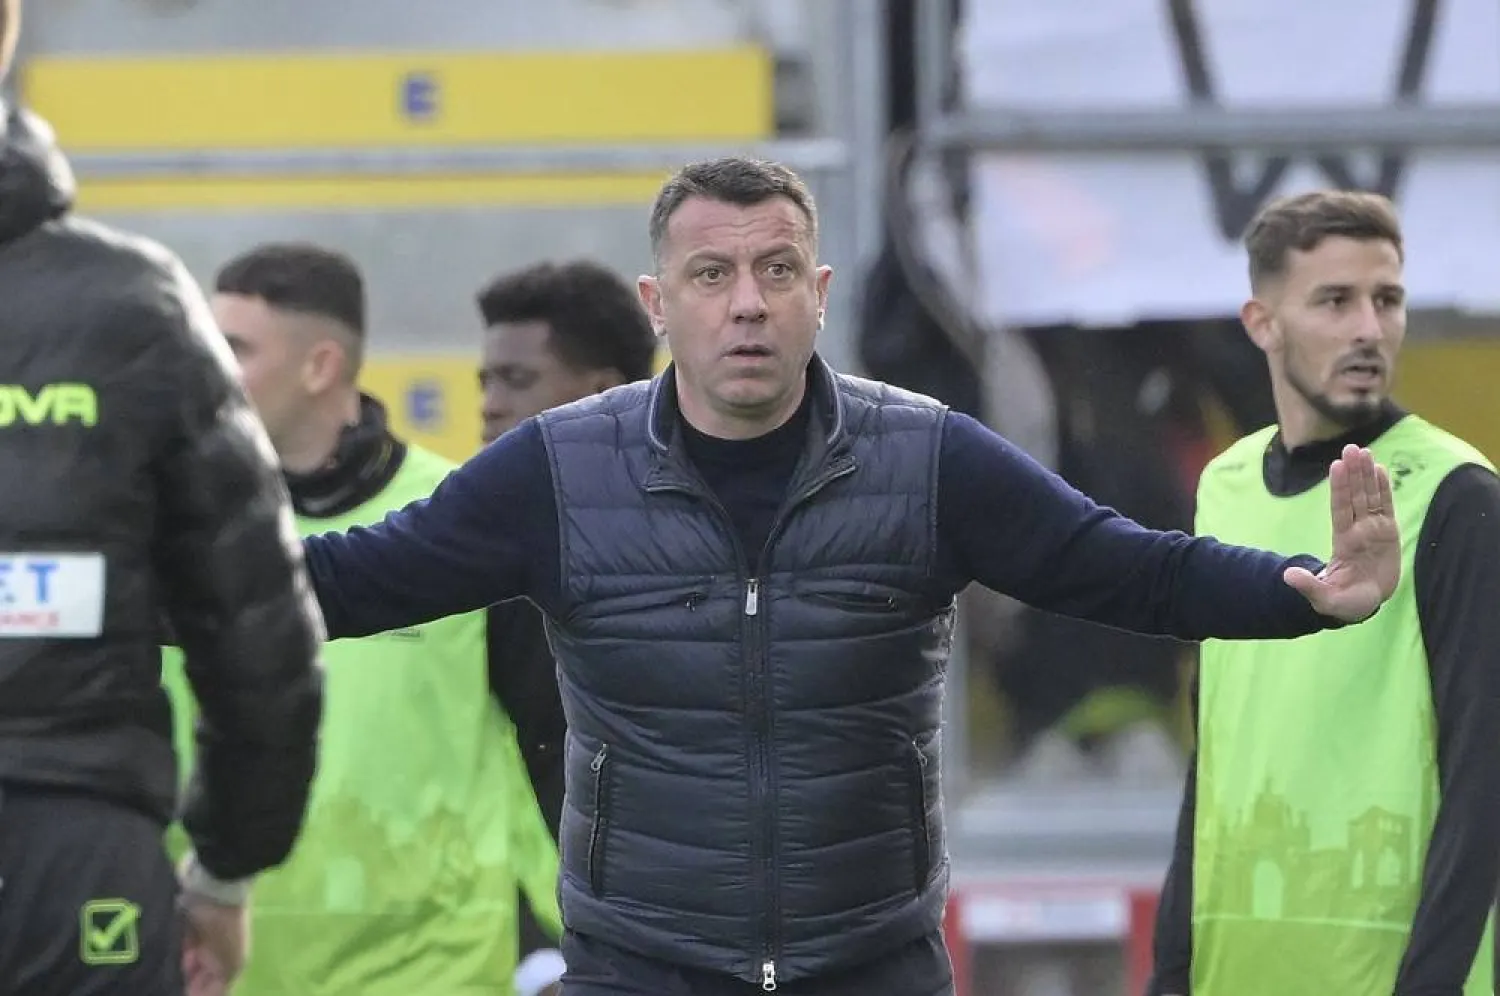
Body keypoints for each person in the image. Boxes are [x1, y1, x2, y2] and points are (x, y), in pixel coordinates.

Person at [297, 157, 1402, 996]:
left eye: (777, 272)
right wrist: (149, 584)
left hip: (874, 962)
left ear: (817, 292)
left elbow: (1126, 570)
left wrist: (1302, 590)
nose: (747, 304)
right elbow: (346, 581)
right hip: (640, 964)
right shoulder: (554, 470)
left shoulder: (925, 458)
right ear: (658, 304)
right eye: (712, 275)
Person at [0, 3, 324, 995]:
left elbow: (255, 627)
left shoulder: (134, 309)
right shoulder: (131, 305)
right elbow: (257, 636)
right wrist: (226, 870)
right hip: (77, 850)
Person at [158, 242, 561, 996]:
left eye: (234, 350)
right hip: (227, 965)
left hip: (432, 970)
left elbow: (549, 746)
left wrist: (558, 948)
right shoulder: (177, 538)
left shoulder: (460, 522)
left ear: (319, 367)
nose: (205, 372)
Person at [1147, 190, 1499, 996]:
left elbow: (1485, 779)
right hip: (1238, 967)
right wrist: (1171, 971)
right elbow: (1214, 751)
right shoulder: (1225, 485)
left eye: (1388, 299)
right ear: (1262, 322)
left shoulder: (1456, 492)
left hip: (1388, 971)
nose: (1369, 329)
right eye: (1335, 301)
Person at [474, 258, 658, 995]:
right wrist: (537, 955)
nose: (488, 405)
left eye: (515, 382)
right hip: (553, 955)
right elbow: (492, 775)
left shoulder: (716, 553)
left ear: (604, 394)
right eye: (483, 382)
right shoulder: (480, 569)